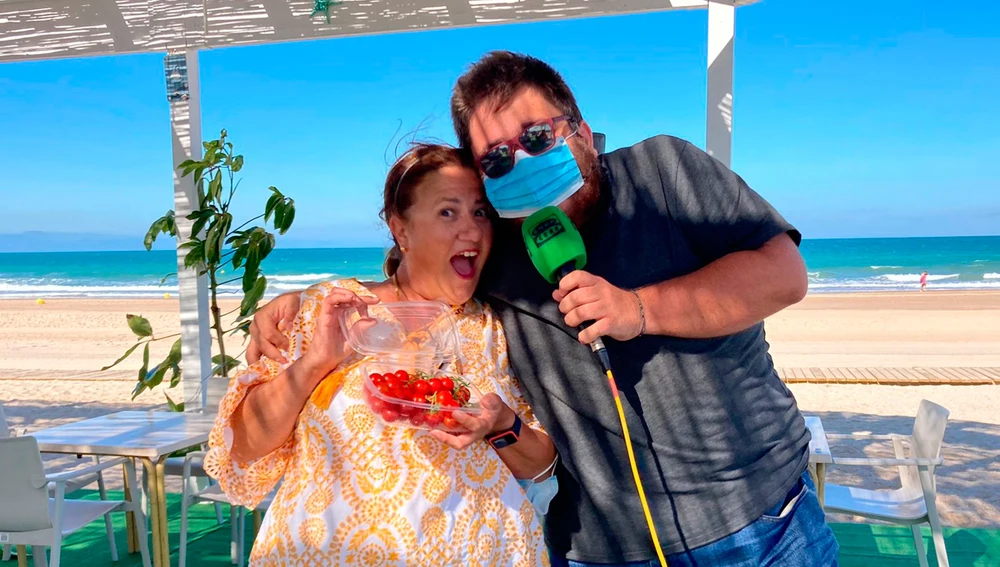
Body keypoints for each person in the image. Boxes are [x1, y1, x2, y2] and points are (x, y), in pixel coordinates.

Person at [250, 52, 839, 566]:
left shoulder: (664, 169)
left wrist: (638, 308)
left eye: (536, 138)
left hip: (759, 516)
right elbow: (418, 266)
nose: (522, 166)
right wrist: (303, 299)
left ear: (580, 127)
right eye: (496, 161)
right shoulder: (496, 236)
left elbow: (782, 274)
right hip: (598, 541)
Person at [205, 143, 558, 566]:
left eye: (481, 212)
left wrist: (501, 424)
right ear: (401, 229)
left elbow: (541, 468)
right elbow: (244, 447)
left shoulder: (493, 327)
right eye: (449, 211)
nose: (472, 230)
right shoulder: (329, 308)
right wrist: (315, 362)